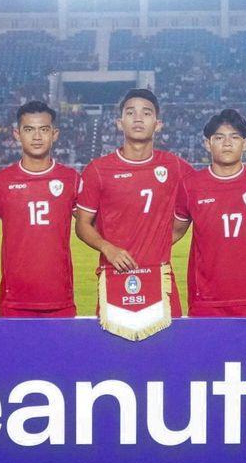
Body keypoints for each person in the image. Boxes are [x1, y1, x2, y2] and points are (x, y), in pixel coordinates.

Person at [75, 88, 195, 316]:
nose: (138, 118)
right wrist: (107, 248)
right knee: (113, 349)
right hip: (114, 275)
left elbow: (213, 183)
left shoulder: (175, 166)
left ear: (157, 124)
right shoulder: (98, 170)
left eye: (146, 113)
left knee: (168, 349)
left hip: (160, 277)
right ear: (120, 123)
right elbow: (82, 225)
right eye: (131, 112)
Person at [172, 108, 246, 317]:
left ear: (245, 144)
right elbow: (173, 233)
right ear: (207, 143)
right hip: (206, 301)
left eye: (235, 137)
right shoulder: (190, 185)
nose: (227, 143)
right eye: (219, 137)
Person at [0, 101, 80, 317]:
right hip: (14, 300)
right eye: (29, 130)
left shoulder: (71, 179)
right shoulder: (0, 181)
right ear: (17, 134)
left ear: (54, 134)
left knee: (62, 352)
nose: (37, 137)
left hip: (59, 298)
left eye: (44, 129)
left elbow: (92, 227)